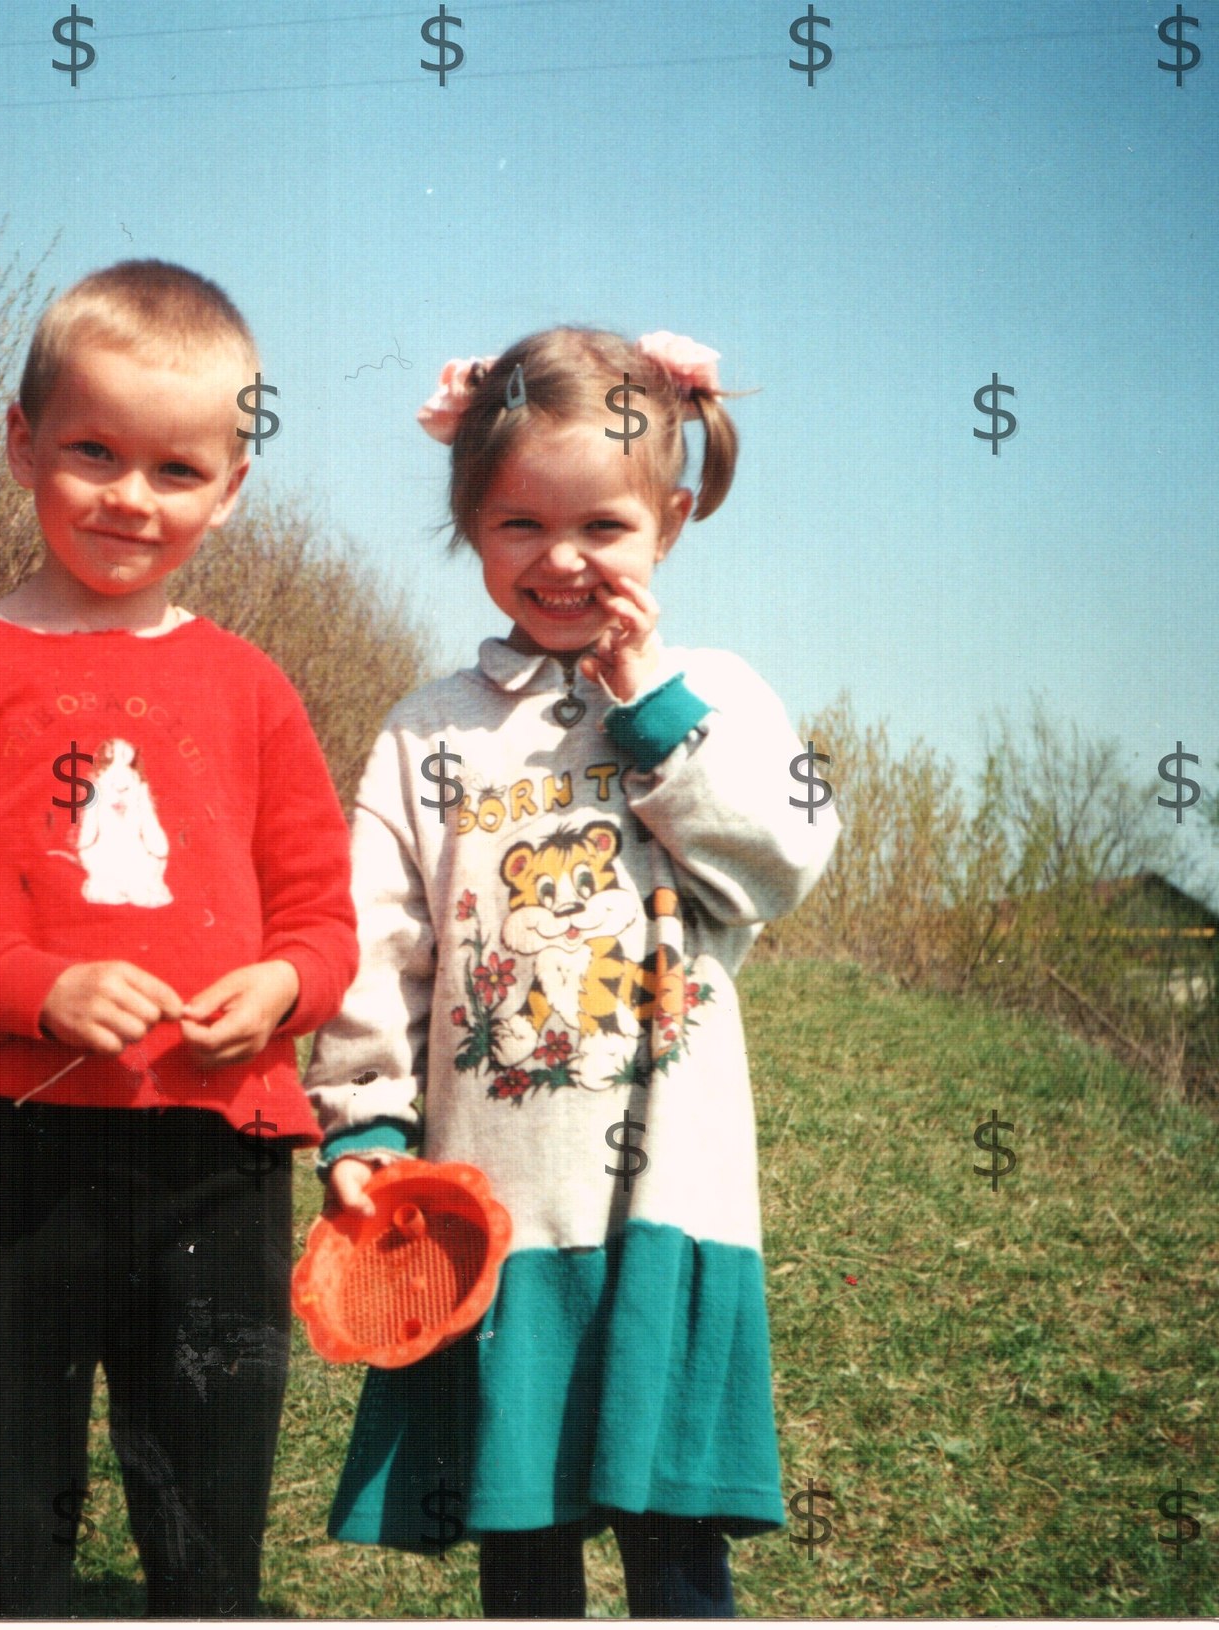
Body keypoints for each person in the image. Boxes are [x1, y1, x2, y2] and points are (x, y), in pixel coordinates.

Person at [0, 259, 359, 1617]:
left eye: (177, 469)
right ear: (22, 441)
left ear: (230, 486)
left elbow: (322, 914)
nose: (132, 495)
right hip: (21, 1146)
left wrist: (285, 984)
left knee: (207, 1514)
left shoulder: (251, 687)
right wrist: (36, 985)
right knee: (6, 1509)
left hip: (221, 1147)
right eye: (94, 452)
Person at [303, 328, 841, 1617]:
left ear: (671, 518)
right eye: (519, 523)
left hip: (670, 1196)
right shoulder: (430, 729)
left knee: (671, 1535)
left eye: (601, 524)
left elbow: (781, 856)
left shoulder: (716, 695)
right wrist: (364, 1117)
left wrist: (651, 711)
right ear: (469, 524)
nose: (560, 559)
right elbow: (377, 938)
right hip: (500, 1195)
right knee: (524, 1528)